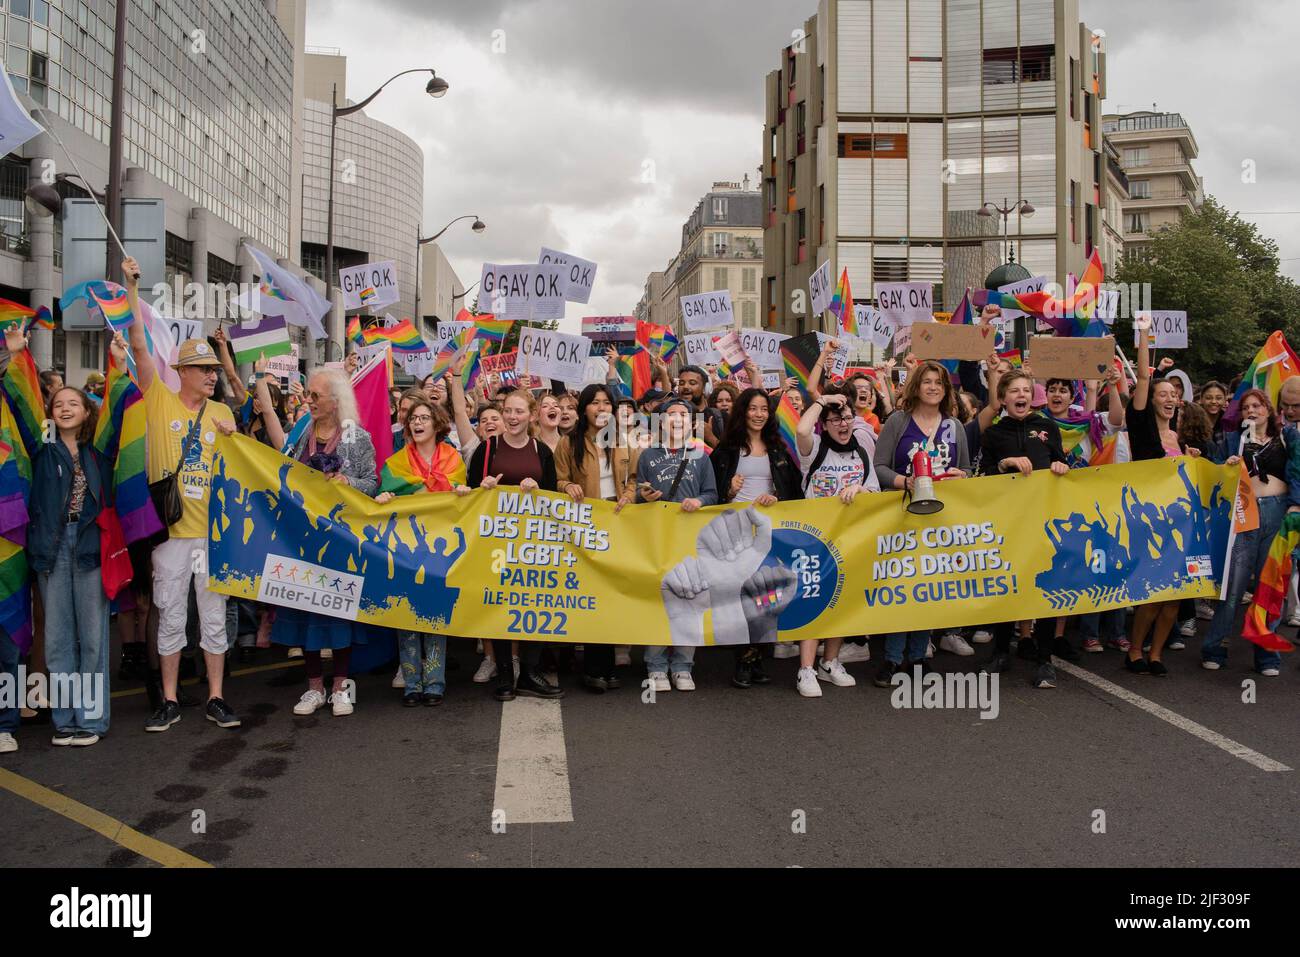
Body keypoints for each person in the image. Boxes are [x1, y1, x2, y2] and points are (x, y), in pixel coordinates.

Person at [123, 258, 241, 733]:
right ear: (182, 372)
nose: (211, 376)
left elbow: (241, 473)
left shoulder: (222, 415)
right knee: (171, 614)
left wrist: (230, 438)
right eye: (202, 369)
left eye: (213, 369)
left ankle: (215, 697)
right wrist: (133, 288)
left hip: (212, 537)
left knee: (213, 618)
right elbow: (137, 342)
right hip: (171, 533)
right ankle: (170, 700)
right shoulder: (159, 397)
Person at [2, 327, 132, 747]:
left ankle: (91, 722)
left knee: (93, 639)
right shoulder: (40, 449)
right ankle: (66, 721)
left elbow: (116, 407)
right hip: (51, 549)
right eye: (58, 404)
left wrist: (117, 361)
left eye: (74, 402)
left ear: (86, 411)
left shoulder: (100, 448)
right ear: (51, 412)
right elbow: (21, 408)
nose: (65, 408)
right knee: (56, 640)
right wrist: (18, 355)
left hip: (91, 547)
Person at [238, 355, 379, 716]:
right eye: (310, 396)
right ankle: (314, 687)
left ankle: (340, 686)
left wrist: (349, 482)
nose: (310, 401)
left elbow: (372, 482)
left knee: (339, 612)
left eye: (316, 396)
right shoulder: (301, 434)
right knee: (308, 611)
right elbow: (280, 469)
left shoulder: (357, 437)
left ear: (336, 400)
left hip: (342, 542)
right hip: (304, 542)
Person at [874, 359, 972, 682]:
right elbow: (879, 467)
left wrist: (961, 477)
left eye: (939, 383)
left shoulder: (954, 426)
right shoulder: (898, 422)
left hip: (941, 520)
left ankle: (918, 657)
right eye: (927, 381)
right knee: (902, 587)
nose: (933, 387)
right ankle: (891, 659)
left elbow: (967, 470)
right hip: (902, 516)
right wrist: (906, 482)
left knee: (929, 588)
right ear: (917, 386)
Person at [466, 390, 564, 701]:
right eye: (507, 410)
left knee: (533, 605)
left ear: (531, 415)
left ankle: (530, 672)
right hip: (497, 542)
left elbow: (554, 497)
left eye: (519, 411)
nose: (511, 417)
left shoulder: (542, 451)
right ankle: (506, 675)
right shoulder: (487, 448)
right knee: (500, 606)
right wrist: (483, 489)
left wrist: (539, 489)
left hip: (534, 543)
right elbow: (468, 495)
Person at [977, 370, 1072, 687]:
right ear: (1003, 398)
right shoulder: (993, 433)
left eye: (1026, 390)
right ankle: (1001, 652)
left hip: (1044, 521)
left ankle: (1045, 660)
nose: (1021, 395)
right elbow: (984, 476)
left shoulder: (1047, 426)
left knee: (1045, 589)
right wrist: (1004, 465)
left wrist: (1061, 466)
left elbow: (1061, 463)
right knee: (1008, 586)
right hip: (1008, 522)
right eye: (1014, 390)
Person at [375, 398, 469, 706]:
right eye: (413, 418)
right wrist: (387, 495)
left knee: (434, 615)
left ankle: (435, 682)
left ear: (437, 424)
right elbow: (384, 491)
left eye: (424, 417)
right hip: (408, 549)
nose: (417, 423)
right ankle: (411, 682)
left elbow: (460, 500)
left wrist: (461, 495)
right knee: (407, 615)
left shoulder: (453, 460)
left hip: (437, 551)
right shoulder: (396, 463)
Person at [712, 388, 805, 688]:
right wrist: (729, 491)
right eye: (753, 408)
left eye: (764, 408)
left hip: (769, 532)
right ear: (742, 412)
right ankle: (743, 660)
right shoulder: (726, 451)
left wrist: (777, 495)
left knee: (766, 596)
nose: (759, 414)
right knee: (743, 596)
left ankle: (756, 657)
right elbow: (710, 494)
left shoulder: (778, 449)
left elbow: (794, 491)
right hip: (736, 534)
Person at [1201, 389, 1297, 677]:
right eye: (1245, 408)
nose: (1251, 411)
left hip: (1278, 513)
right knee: (1233, 586)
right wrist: (1225, 466)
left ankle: (1266, 656)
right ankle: (1214, 648)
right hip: (1245, 515)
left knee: (1269, 587)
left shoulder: (1287, 438)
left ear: (1269, 410)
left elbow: (1298, 472)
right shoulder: (1233, 440)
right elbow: (1214, 473)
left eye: (1257, 406)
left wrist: (1295, 505)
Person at [791, 387, 880, 696]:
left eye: (847, 417)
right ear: (825, 424)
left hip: (849, 540)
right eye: (835, 418)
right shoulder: (813, 448)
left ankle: (830, 662)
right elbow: (801, 428)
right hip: (815, 541)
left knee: (840, 601)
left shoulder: (863, 452)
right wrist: (822, 401)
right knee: (815, 601)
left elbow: (875, 490)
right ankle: (806, 669)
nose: (843, 424)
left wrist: (860, 489)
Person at [554, 384, 638, 692]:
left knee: (612, 594)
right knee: (592, 596)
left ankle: (608, 665)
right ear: (584, 408)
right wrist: (567, 488)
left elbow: (634, 479)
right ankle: (593, 668)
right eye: (594, 403)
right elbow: (559, 478)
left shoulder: (624, 440)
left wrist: (629, 496)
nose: (601, 408)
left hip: (617, 523)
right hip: (584, 527)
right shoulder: (568, 442)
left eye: (606, 403)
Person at [636, 395, 718, 692]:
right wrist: (642, 495)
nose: (678, 419)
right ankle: (655, 665)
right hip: (657, 539)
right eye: (671, 414)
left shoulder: (702, 456)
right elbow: (637, 492)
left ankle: (683, 666)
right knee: (658, 601)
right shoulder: (647, 455)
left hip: (690, 539)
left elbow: (712, 493)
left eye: (684, 415)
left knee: (690, 600)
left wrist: (699, 500)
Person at [1122, 314, 1188, 676]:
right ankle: (1134, 649)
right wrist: (1144, 334)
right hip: (1150, 520)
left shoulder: (1183, 436)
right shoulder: (1142, 428)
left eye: (1173, 396)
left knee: (1175, 597)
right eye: (1162, 394)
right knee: (1152, 593)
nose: (1169, 399)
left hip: (1181, 522)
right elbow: (1145, 376)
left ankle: (1157, 653)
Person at [678, 365, 724, 448]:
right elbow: (653, 452)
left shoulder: (721, 417)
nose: (685, 386)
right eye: (681, 383)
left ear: (704, 389)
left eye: (692, 383)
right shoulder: (663, 414)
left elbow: (731, 458)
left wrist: (710, 438)